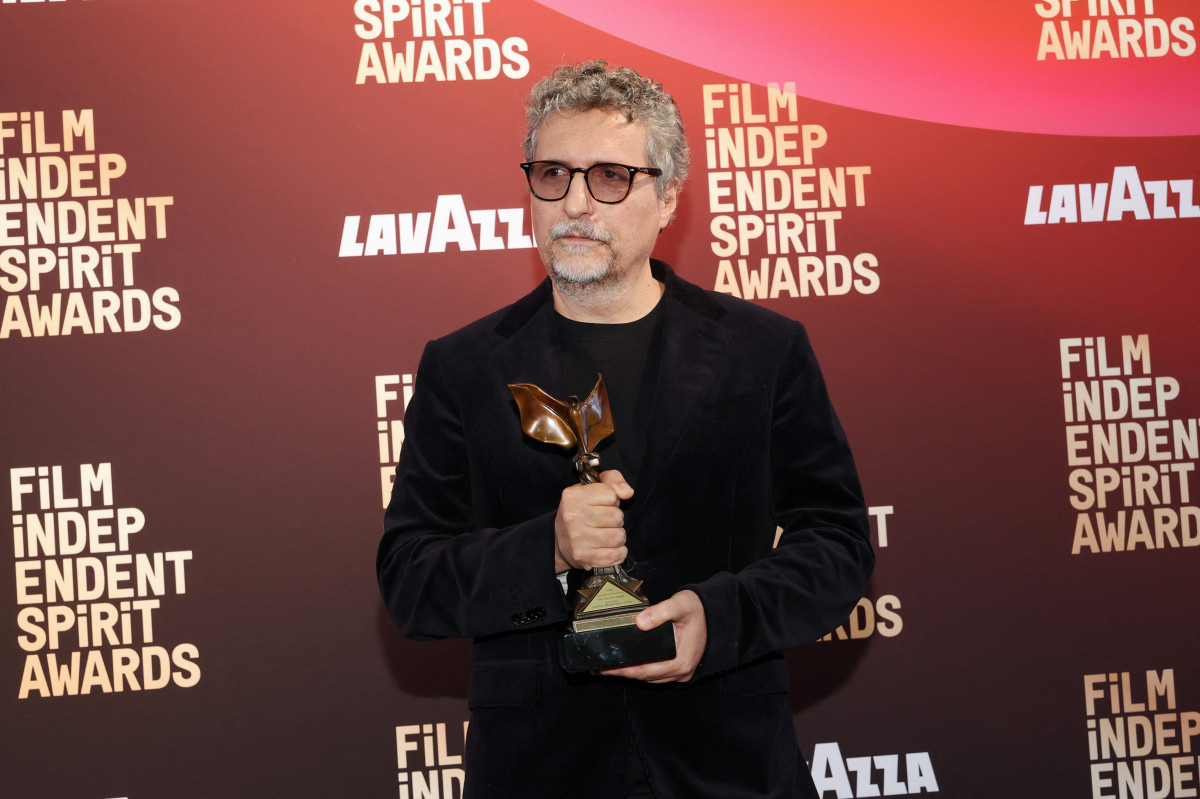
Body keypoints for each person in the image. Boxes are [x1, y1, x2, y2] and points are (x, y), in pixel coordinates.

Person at [378, 60, 874, 799]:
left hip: (728, 762)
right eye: (553, 174)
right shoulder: (464, 367)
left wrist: (719, 618)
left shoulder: (762, 351)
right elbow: (410, 580)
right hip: (538, 771)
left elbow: (837, 544)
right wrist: (546, 547)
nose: (576, 203)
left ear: (668, 197)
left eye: (610, 177)